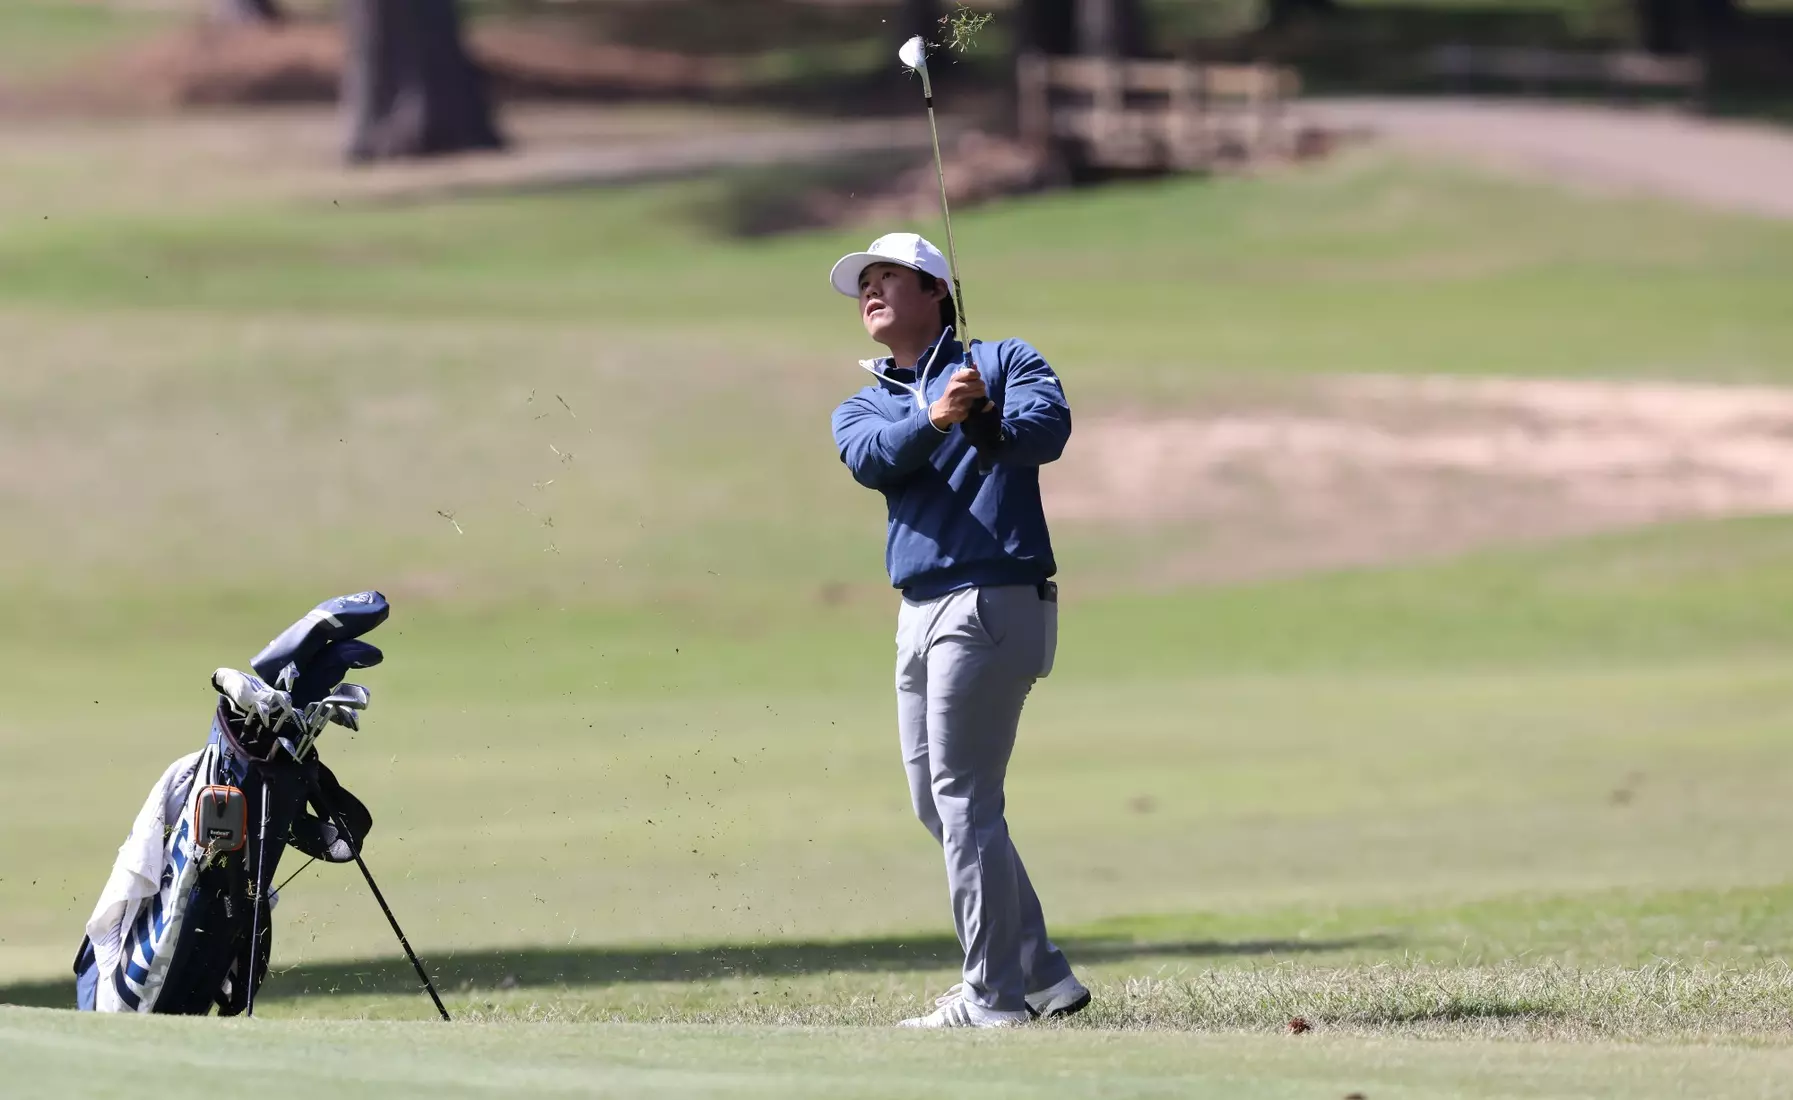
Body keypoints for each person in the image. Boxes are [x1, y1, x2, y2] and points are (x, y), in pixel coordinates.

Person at [827, 231, 1089, 1028]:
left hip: (990, 600)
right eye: (862, 283)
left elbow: (1044, 434)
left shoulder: (1003, 361)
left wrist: (980, 420)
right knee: (936, 803)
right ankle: (1041, 973)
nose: (870, 292)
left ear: (936, 290)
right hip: (916, 612)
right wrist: (936, 418)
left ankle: (991, 998)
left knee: (965, 797)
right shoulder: (863, 400)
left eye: (887, 278)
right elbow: (872, 457)